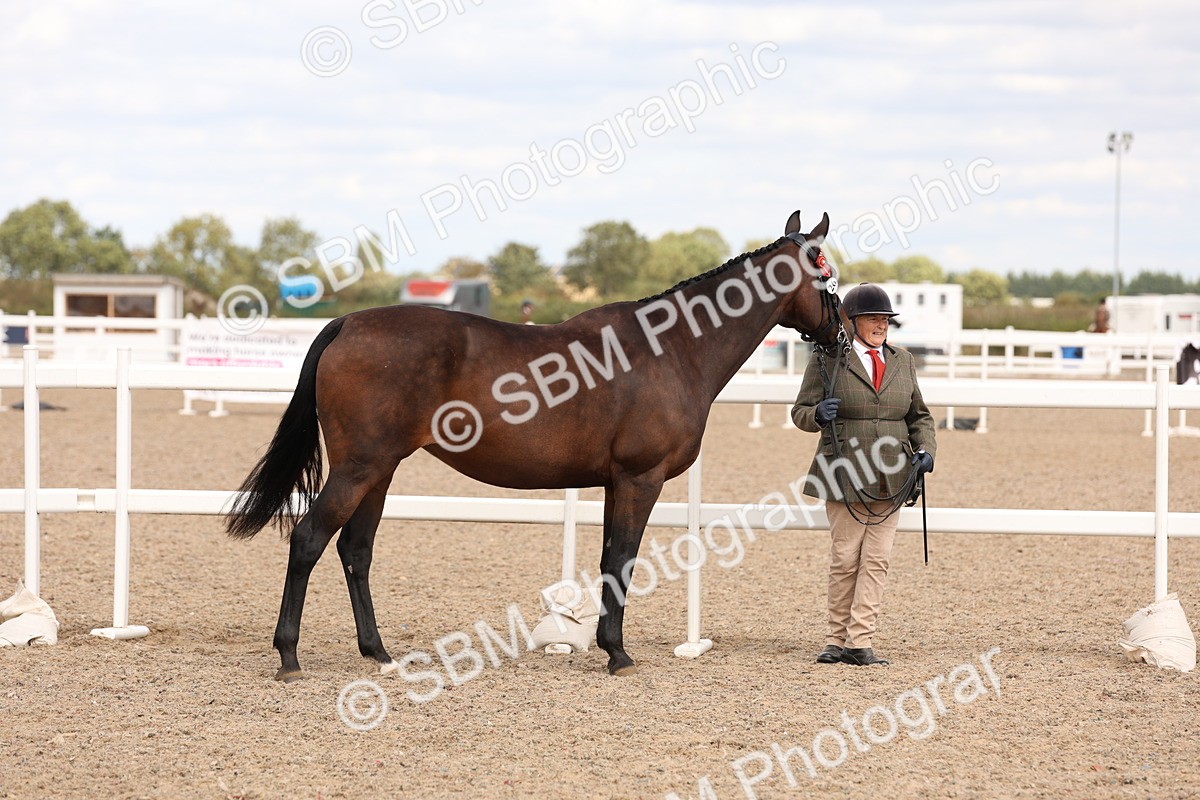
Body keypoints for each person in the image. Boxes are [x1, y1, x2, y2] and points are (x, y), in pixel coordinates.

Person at [790, 283, 937, 667]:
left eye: (885, 319)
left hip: (893, 472)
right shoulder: (827, 358)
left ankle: (860, 641)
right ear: (852, 321)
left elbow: (918, 415)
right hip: (844, 467)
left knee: (877, 559)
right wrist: (817, 413)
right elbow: (800, 411)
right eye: (873, 318)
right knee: (845, 558)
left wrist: (926, 451)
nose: (880, 325)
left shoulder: (902, 361)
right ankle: (834, 639)